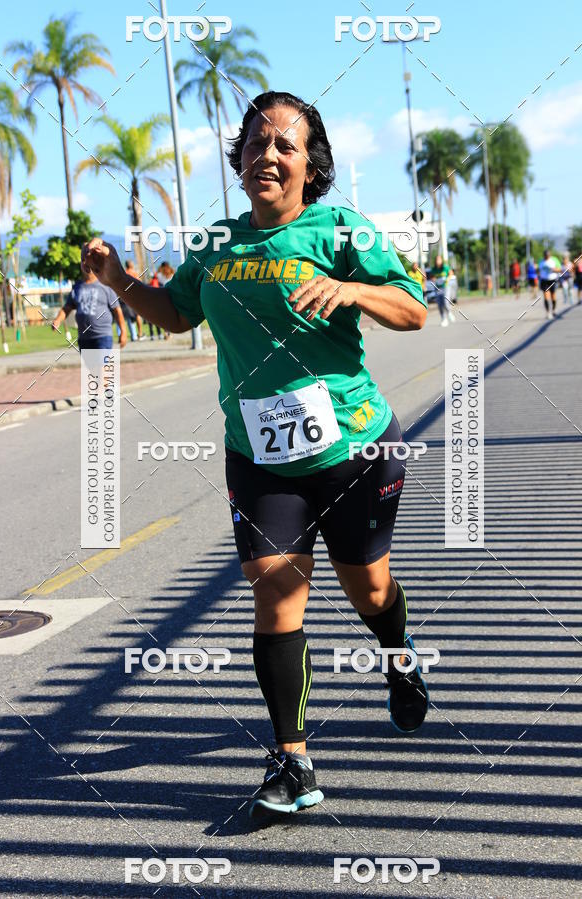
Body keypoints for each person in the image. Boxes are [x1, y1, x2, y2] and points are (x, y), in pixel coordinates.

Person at [81, 90, 429, 821]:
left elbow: (413, 307)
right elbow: (176, 314)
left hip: (355, 446)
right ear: (239, 156)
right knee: (275, 587)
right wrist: (118, 283)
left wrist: (350, 287)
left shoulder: (340, 229)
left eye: (285, 146)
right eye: (256, 142)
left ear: (310, 164)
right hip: (259, 454)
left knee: (369, 593)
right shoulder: (216, 244)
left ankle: (399, 658)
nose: (267, 155)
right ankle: (293, 761)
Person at [50, 264, 127, 350]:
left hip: (103, 336)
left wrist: (123, 331)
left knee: (104, 363)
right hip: (84, 338)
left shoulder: (106, 285)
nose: (87, 264)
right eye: (83, 261)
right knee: (90, 364)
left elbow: (117, 310)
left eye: (90, 262)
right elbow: (67, 308)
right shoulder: (77, 287)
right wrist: (58, 320)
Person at [430, 254, 456, 323]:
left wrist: (448, 278)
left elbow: (451, 273)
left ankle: (449, 313)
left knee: (446, 302)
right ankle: (443, 319)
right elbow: (432, 277)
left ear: (441, 260)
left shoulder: (445, 267)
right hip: (438, 288)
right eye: (437, 260)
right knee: (439, 304)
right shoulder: (434, 269)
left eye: (439, 259)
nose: (438, 261)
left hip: (446, 287)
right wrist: (433, 279)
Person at [538, 249, 559, 319]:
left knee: (553, 296)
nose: (547, 257)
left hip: (552, 280)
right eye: (546, 256)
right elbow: (539, 270)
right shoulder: (541, 261)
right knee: (546, 297)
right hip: (544, 281)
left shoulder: (554, 260)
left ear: (550, 255)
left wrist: (554, 269)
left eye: (548, 255)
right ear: (544, 255)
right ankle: (548, 312)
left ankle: (553, 310)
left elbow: (560, 269)